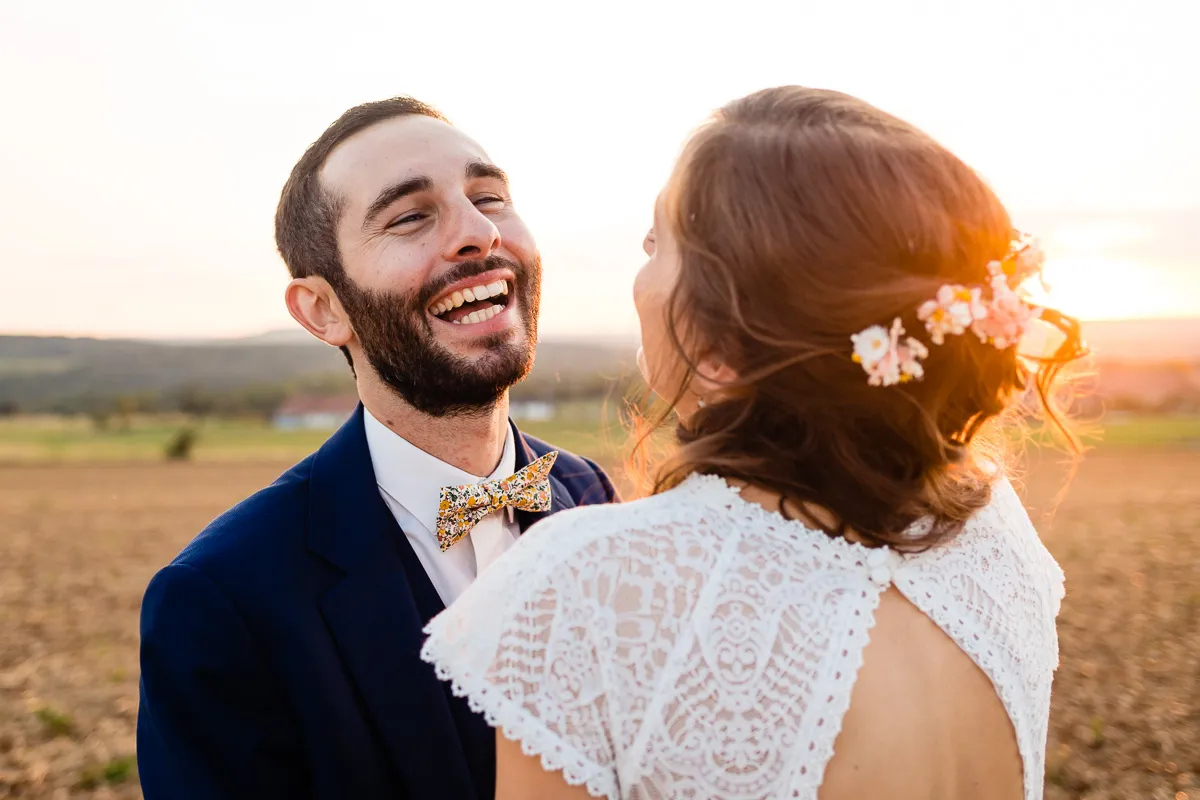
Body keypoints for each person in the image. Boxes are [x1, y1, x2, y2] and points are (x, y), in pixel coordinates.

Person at [421, 87, 1085, 800]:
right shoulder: (992, 530)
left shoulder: (589, 582)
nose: (640, 276)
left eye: (659, 244)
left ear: (720, 350)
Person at [135, 97, 618, 800]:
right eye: (410, 216)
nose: (479, 232)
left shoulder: (588, 495)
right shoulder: (220, 601)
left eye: (489, 197)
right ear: (323, 310)